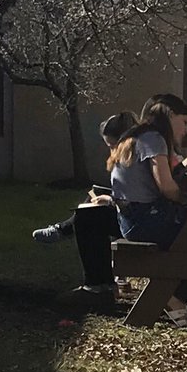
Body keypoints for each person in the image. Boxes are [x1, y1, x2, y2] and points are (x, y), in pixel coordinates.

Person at [110, 93, 187, 327]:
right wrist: (185, 192)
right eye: (184, 123)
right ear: (170, 116)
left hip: (133, 218)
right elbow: (167, 188)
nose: (186, 130)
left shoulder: (138, 135)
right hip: (144, 221)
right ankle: (175, 298)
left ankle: (184, 297)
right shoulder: (154, 139)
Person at [33, 110, 137, 306]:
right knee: (92, 205)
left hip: (136, 220)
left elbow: (134, 198)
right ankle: (64, 231)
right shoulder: (134, 155)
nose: (111, 151)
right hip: (136, 215)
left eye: (113, 145)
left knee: (87, 217)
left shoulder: (133, 160)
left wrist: (110, 200)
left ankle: (97, 286)